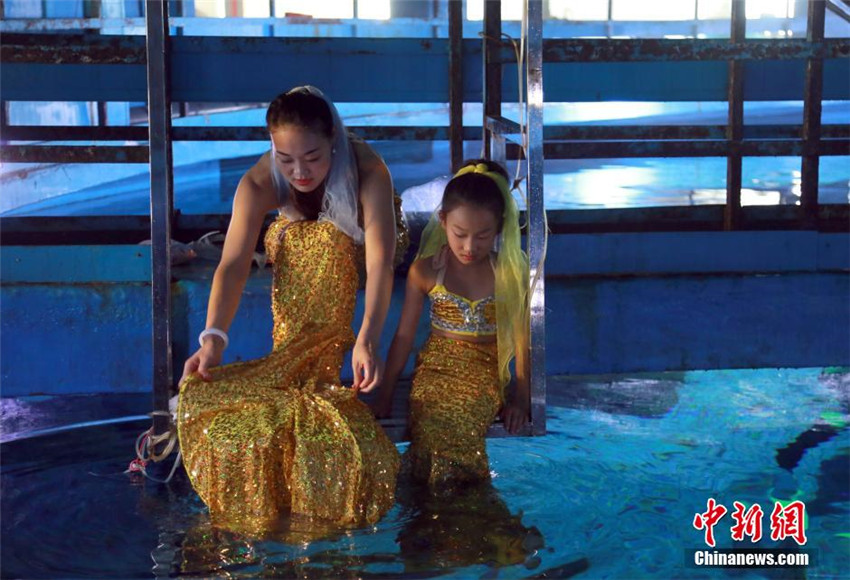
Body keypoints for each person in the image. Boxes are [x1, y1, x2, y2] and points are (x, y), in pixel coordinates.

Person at [176, 86, 406, 533]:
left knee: (325, 239)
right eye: (286, 159)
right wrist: (212, 340)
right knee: (300, 237)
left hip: (365, 244)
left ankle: (321, 362)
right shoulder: (259, 182)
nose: (300, 171)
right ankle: (295, 361)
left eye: (313, 158)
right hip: (305, 247)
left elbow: (379, 263)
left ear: (334, 143)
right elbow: (233, 263)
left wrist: (366, 337)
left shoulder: (369, 169)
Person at [366, 159, 530, 489]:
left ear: (499, 228)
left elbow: (522, 341)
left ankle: (457, 506)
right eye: (460, 234)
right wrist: (385, 393)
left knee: (462, 421)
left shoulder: (508, 273)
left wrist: (520, 399)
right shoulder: (425, 271)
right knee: (430, 421)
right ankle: (447, 508)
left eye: (483, 236)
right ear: (442, 222)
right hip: (435, 370)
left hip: (484, 372)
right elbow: (403, 337)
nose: (470, 247)